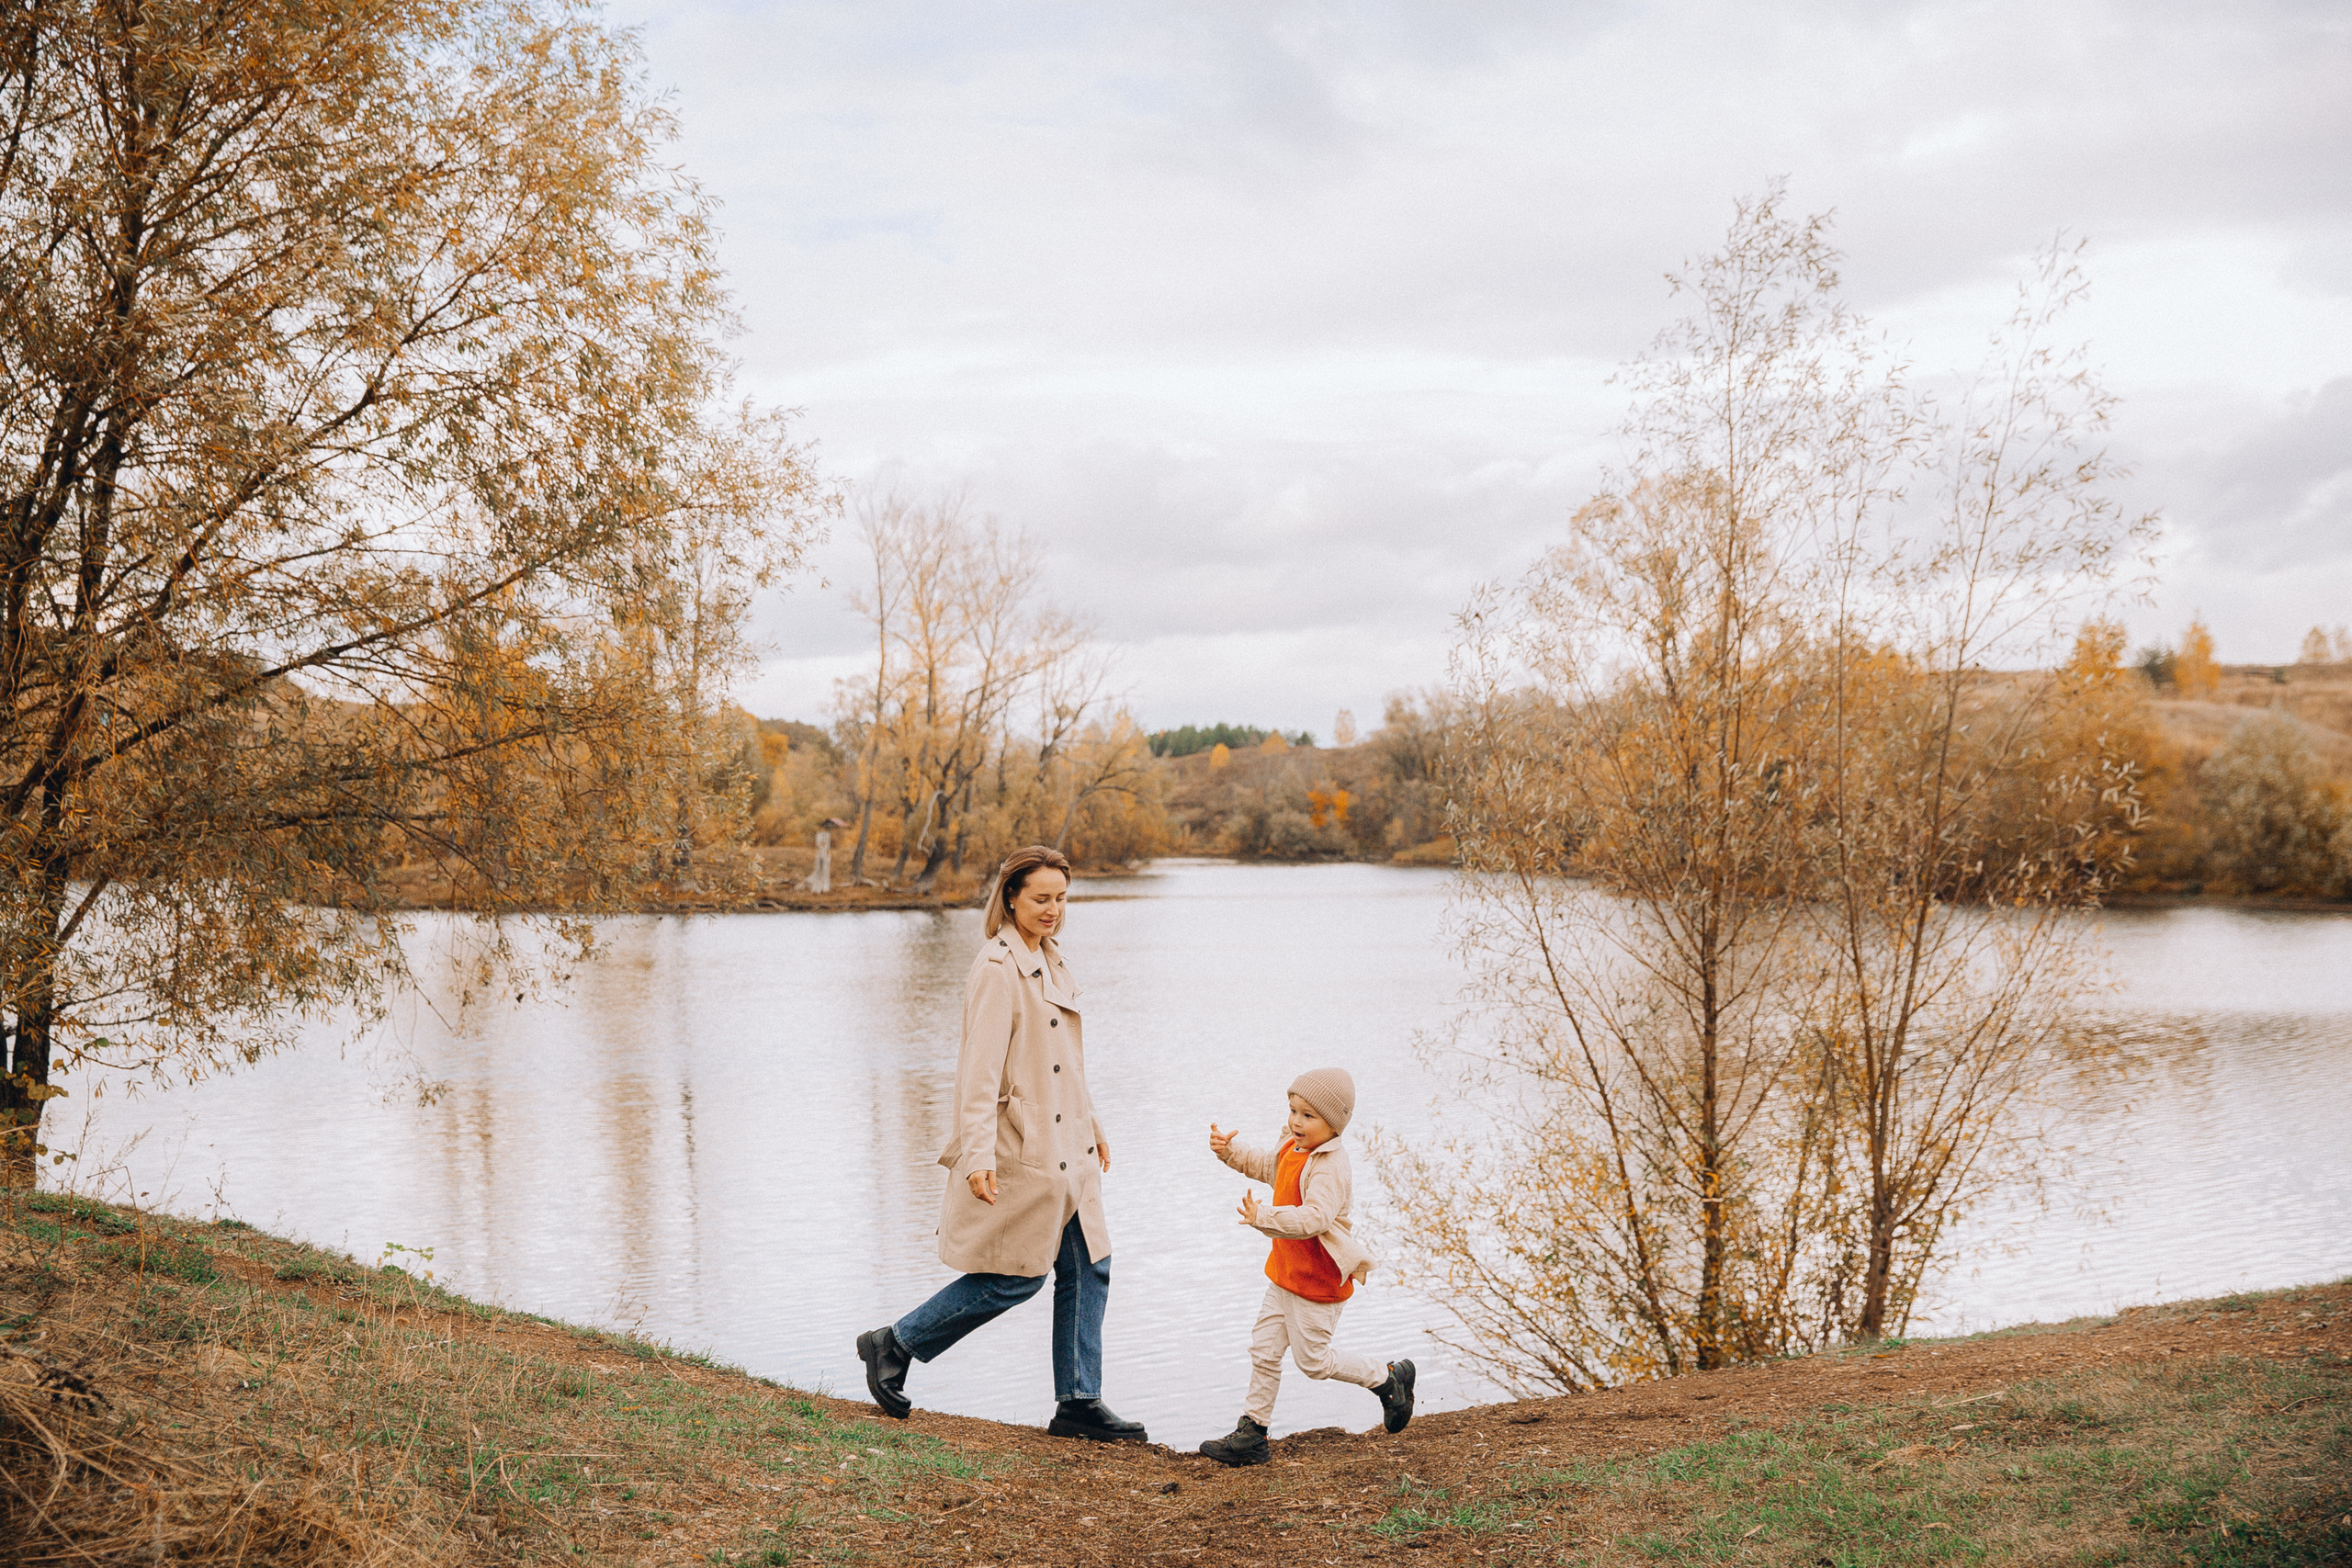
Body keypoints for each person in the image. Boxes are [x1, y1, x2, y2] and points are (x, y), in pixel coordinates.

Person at [854, 844, 1147, 1443]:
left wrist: (1093, 1123)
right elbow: (978, 1073)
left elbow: (1065, 1063)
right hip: (1026, 1147)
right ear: (1011, 897)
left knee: (1090, 1265)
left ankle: (1079, 1402)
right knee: (1017, 1274)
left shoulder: (1053, 960)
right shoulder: (996, 968)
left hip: (1069, 1145)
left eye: (1061, 898)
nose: (1053, 909)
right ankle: (896, 1342)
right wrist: (978, 1155)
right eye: (1041, 898)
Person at [1196, 1067, 1414, 1466]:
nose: (1296, 1121)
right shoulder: (1292, 1148)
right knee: (1264, 1349)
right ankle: (1253, 1433)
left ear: (1333, 1125)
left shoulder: (1330, 1166)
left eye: (1308, 1115)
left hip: (1317, 1280)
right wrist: (1228, 1151)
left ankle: (1387, 1378)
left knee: (1313, 1362)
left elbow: (1315, 1218)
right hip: (1285, 1275)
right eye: (1293, 1110)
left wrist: (1264, 1216)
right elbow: (1267, 1166)